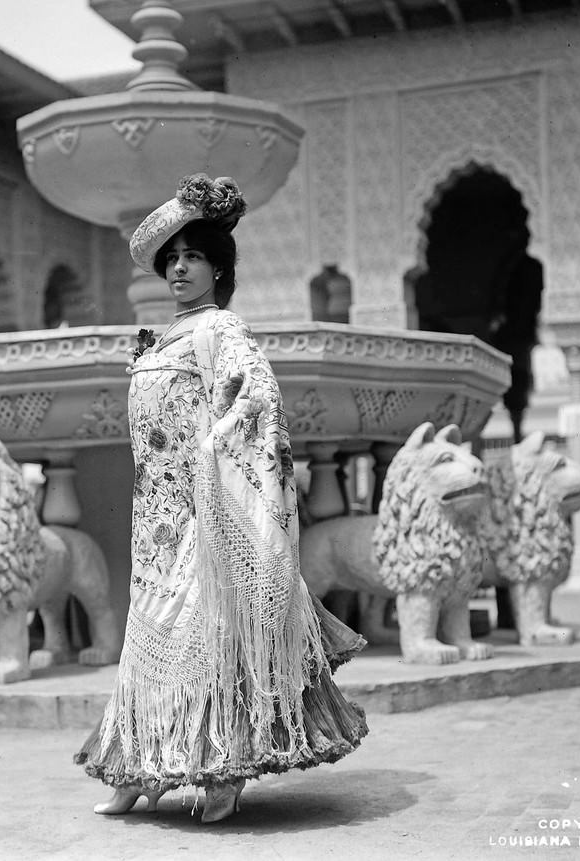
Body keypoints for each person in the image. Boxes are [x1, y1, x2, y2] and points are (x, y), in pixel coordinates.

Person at [75, 174, 368, 824]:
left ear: (218, 268)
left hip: (207, 511)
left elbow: (258, 394)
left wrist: (218, 444)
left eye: (194, 257)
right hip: (156, 517)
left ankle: (221, 772)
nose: (179, 267)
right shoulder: (165, 336)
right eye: (171, 259)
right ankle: (139, 764)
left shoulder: (220, 329)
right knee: (150, 635)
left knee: (202, 636)